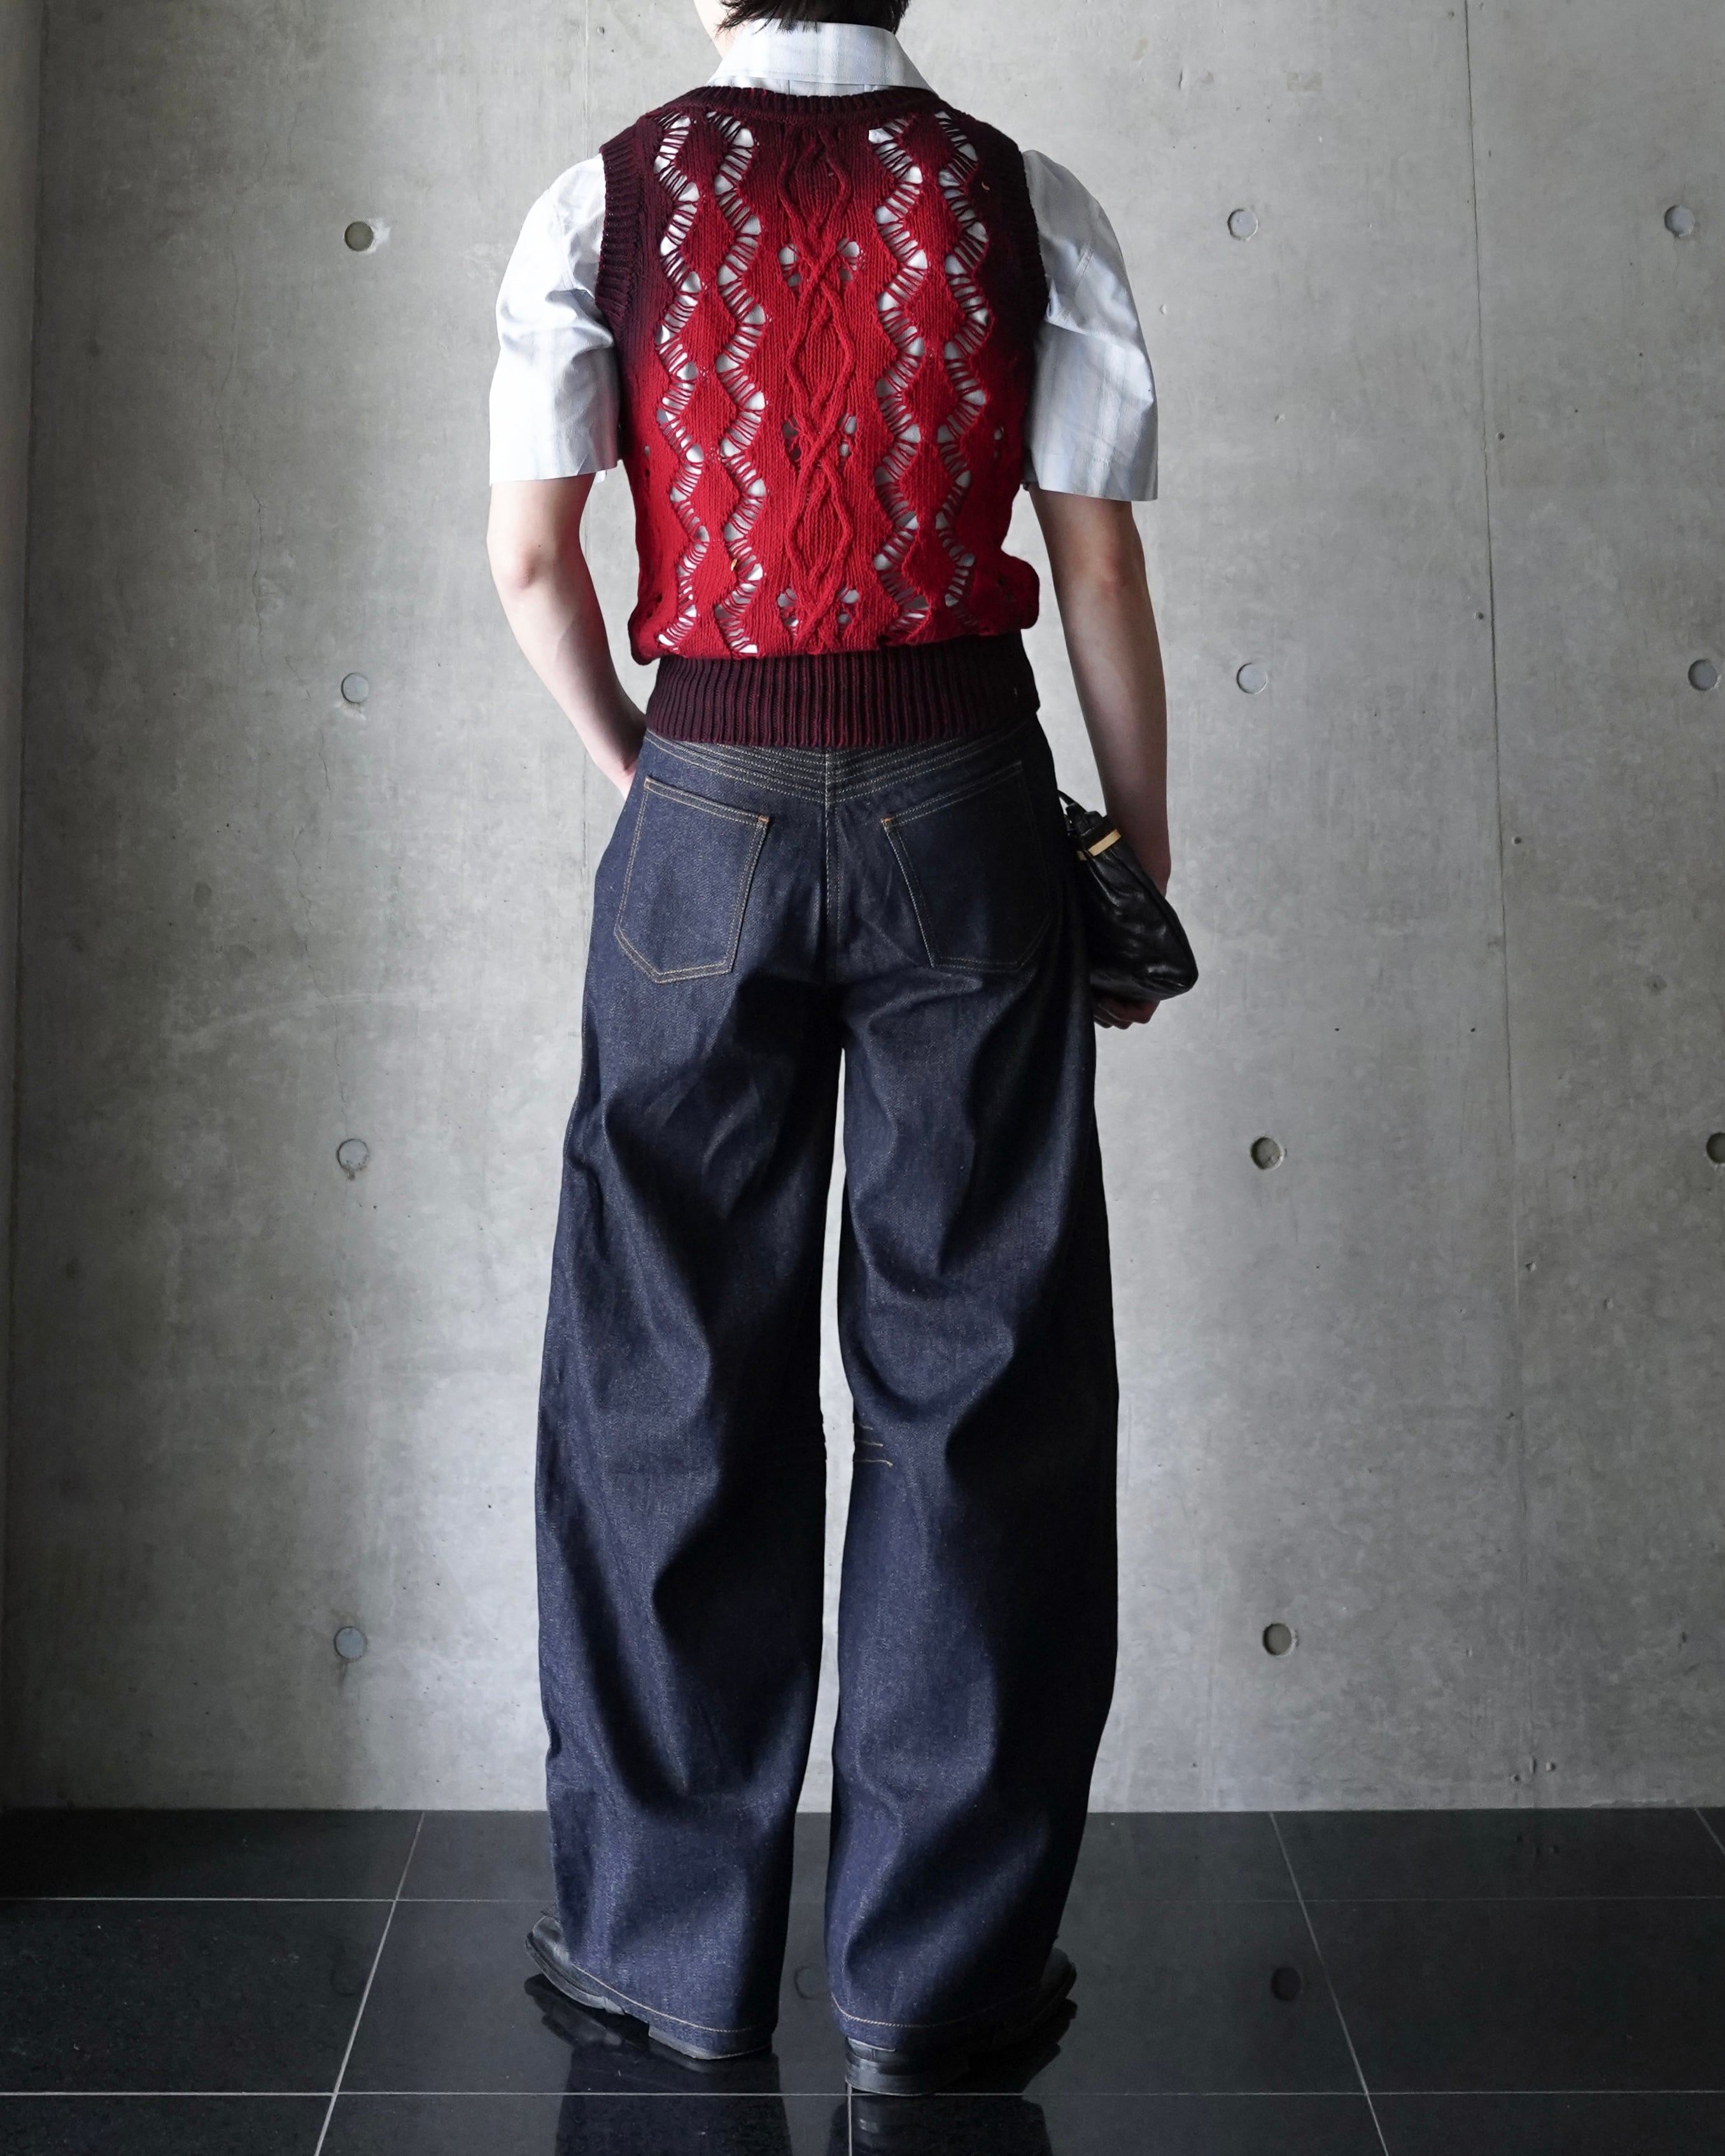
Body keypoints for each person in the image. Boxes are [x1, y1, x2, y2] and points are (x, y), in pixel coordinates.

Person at [486, 0, 1167, 2101]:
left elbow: (533, 559)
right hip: (968, 803)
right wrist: (1136, 867)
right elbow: (1099, 559)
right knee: (982, 1384)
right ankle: (932, 1985)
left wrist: (660, 780)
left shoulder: (599, 199)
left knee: (663, 1376)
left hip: (702, 797)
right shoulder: (1025, 198)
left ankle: (663, 1958)